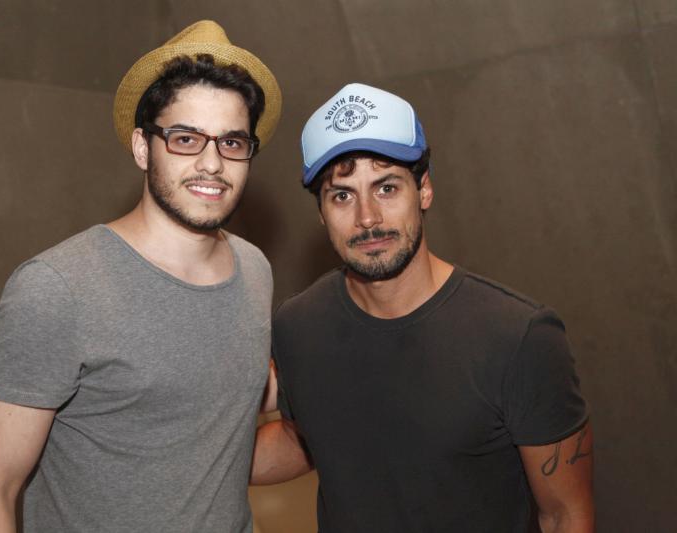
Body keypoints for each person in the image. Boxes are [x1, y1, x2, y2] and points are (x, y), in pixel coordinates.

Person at [0, 20, 282, 533]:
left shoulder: (255, 269)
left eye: (232, 143)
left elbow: (221, 426)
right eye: (186, 138)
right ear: (142, 147)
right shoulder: (58, 288)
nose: (212, 164)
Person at [251, 83, 593, 532]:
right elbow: (309, 440)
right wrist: (183, 456)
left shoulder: (519, 337)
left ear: (424, 189)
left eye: (386, 187)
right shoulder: (298, 326)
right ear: (321, 213)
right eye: (342, 195)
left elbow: (565, 514)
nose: (367, 217)